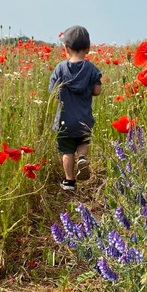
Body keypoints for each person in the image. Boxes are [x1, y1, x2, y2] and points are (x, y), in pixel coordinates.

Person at [49, 25, 102, 191]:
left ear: (65, 48)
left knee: (67, 151)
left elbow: (53, 92)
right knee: (82, 142)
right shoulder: (92, 69)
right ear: (88, 48)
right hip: (84, 119)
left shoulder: (60, 69)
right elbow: (97, 91)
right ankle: (82, 158)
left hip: (64, 120)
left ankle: (69, 181)